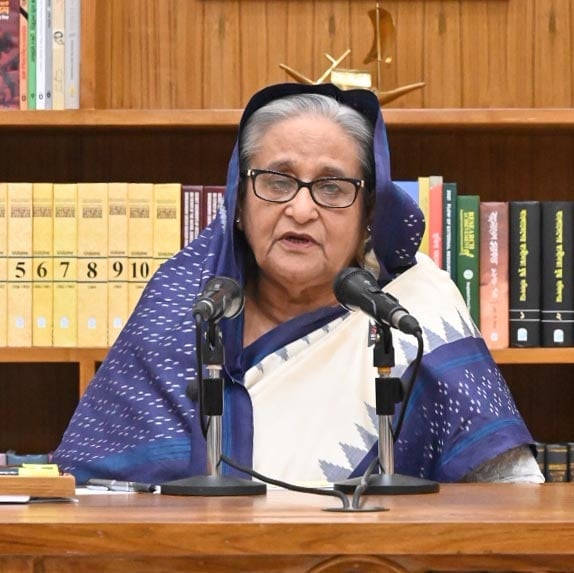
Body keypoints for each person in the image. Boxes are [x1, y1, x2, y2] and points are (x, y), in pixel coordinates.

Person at [53, 83, 543, 485]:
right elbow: (89, 494)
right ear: (239, 202)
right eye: (277, 181)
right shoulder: (184, 304)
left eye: (331, 187)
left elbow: (508, 499)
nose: (301, 209)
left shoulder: (415, 312)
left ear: (369, 214)